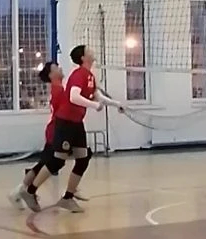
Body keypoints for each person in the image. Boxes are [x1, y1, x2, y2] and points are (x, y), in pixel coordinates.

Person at [15, 44, 124, 222]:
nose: (92, 50)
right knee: (56, 161)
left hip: (76, 123)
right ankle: (29, 191)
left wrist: (116, 104)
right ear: (83, 57)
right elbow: (74, 97)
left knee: (83, 158)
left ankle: (68, 197)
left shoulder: (89, 76)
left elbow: (97, 95)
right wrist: (94, 106)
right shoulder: (78, 74)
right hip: (64, 123)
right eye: (88, 49)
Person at [9, 61, 65, 211]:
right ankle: (25, 191)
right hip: (56, 131)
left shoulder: (58, 88)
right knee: (52, 163)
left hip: (56, 130)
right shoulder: (58, 90)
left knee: (45, 164)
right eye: (56, 68)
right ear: (51, 75)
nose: (60, 68)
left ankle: (18, 192)